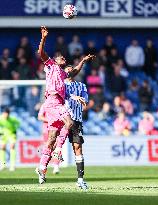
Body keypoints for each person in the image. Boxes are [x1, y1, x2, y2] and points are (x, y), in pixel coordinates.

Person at [36, 26, 94, 184]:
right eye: (61, 58)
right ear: (55, 60)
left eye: (64, 59)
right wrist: (44, 37)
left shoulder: (62, 74)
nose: (64, 59)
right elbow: (40, 53)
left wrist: (82, 60)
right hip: (52, 101)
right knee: (69, 122)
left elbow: (74, 72)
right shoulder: (50, 66)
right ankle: (58, 152)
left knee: (52, 137)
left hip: (56, 104)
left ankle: (42, 167)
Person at [53, 67, 89, 190]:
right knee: (52, 143)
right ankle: (43, 169)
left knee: (77, 147)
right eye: (67, 70)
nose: (69, 72)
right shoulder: (61, 85)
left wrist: (83, 100)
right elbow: (63, 97)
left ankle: (80, 180)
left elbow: (85, 98)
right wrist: (74, 97)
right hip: (63, 119)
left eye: (71, 70)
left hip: (77, 121)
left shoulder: (82, 85)